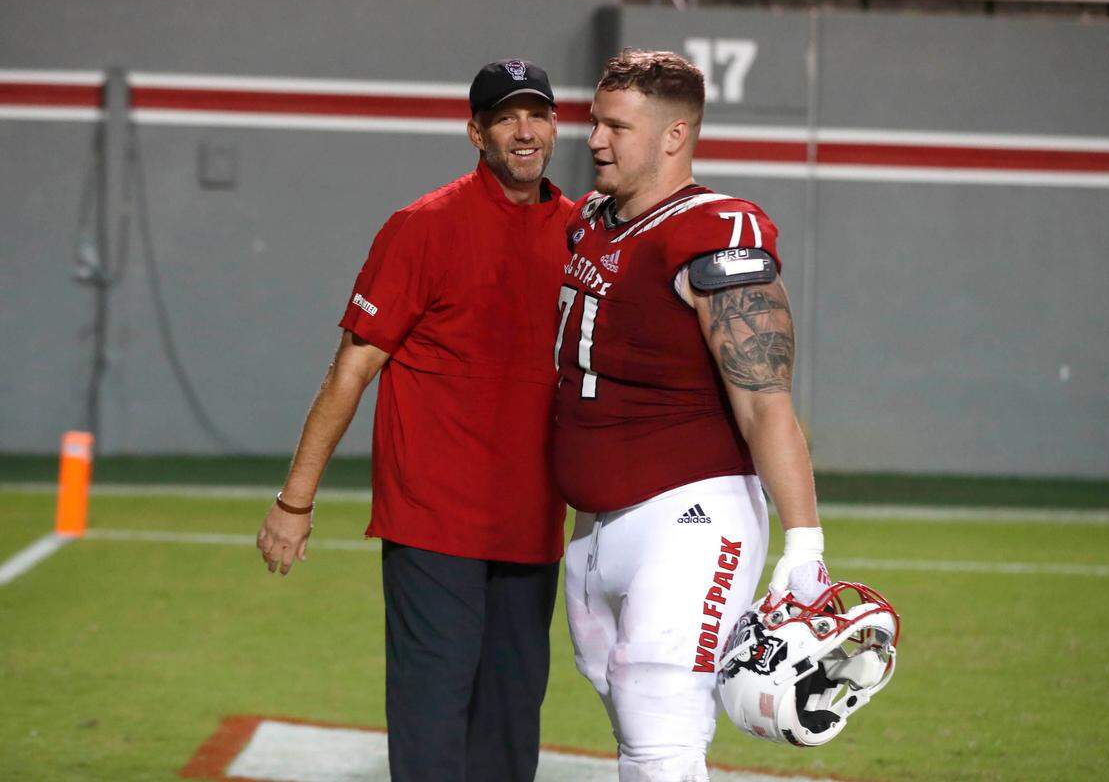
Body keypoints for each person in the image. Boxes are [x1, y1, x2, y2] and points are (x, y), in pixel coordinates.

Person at [256, 59, 573, 782]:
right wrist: (294, 501)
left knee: (511, 724)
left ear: (555, 126)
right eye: (505, 118)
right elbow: (353, 367)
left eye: (537, 115)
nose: (524, 131)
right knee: (432, 725)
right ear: (476, 132)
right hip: (432, 522)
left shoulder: (581, 232)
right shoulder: (421, 227)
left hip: (531, 523)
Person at [554, 49, 832, 781]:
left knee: (660, 726)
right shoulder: (592, 221)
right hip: (594, 524)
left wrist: (804, 542)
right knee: (629, 708)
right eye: (595, 121)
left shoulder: (715, 229)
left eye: (617, 125)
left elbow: (766, 402)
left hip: (689, 515)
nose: (595, 139)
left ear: (675, 136)